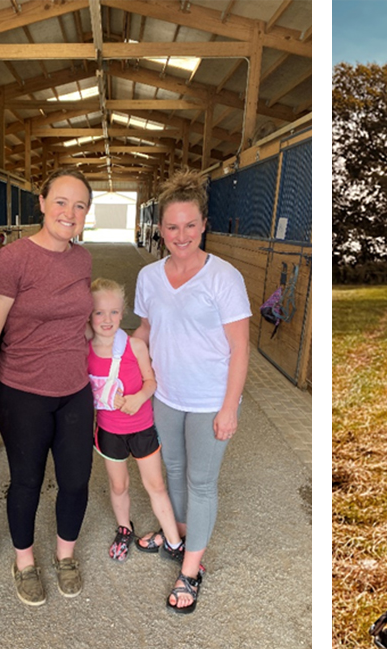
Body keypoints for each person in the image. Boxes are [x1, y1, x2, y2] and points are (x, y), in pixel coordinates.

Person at [0, 167, 95, 607]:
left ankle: (65, 557)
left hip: (75, 388)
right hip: (23, 391)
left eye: (79, 206)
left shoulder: (83, 258)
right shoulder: (13, 259)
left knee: (75, 480)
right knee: (27, 481)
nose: (69, 213)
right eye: (61, 202)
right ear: (41, 202)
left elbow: (81, 320)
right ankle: (25, 561)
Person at [132, 169, 251, 614]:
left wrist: (228, 409)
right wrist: (112, 349)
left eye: (189, 225)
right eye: (171, 226)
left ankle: (191, 569)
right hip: (166, 394)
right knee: (173, 470)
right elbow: (145, 330)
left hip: (208, 400)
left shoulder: (223, 277)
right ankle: (175, 535)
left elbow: (239, 347)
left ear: (203, 225)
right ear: (159, 229)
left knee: (201, 483)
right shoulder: (148, 276)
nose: (180, 235)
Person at [86, 278, 183, 563]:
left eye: (114, 312)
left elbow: (151, 381)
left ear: (123, 312)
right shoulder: (86, 350)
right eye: (99, 312)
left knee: (155, 485)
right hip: (109, 431)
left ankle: (174, 543)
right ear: (89, 315)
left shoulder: (135, 346)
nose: (107, 319)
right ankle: (124, 528)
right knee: (118, 486)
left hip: (141, 428)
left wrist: (139, 397)